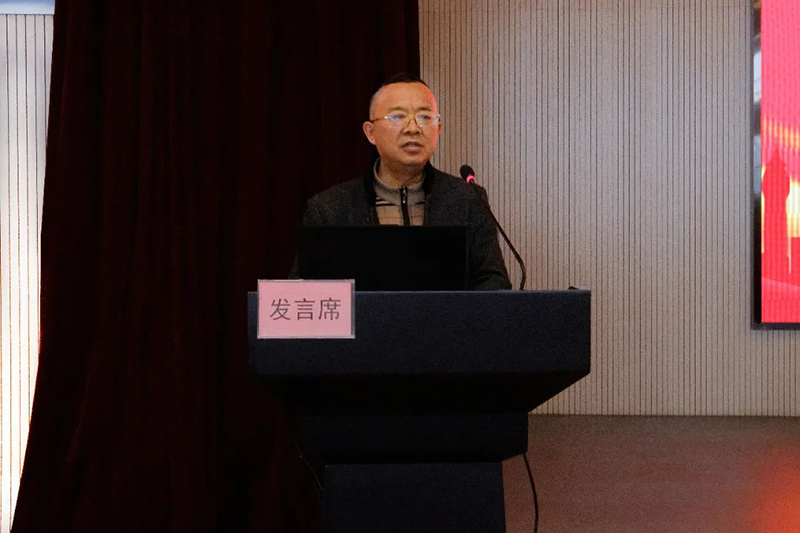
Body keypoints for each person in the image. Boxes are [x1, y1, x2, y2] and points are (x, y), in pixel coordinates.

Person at [297, 73, 511, 290]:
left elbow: (494, 282)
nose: (413, 128)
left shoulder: (467, 200)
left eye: (425, 117)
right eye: (397, 117)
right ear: (370, 133)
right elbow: (302, 292)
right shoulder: (330, 209)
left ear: (438, 129)